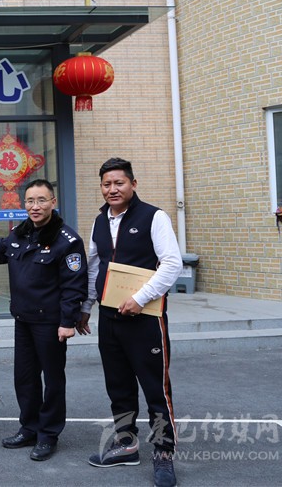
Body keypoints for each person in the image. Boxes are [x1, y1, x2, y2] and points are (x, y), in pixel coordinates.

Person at [0, 179, 87, 461]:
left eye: (41, 200)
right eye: (30, 201)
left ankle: (48, 434)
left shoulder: (67, 240)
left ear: (53, 202)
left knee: (53, 381)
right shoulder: (21, 232)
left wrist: (68, 321)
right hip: (24, 320)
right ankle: (29, 427)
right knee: (25, 379)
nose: (35, 206)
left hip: (51, 323)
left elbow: (74, 285)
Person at [79, 158, 182, 487]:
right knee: (119, 387)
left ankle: (163, 452)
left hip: (145, 319)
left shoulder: (154, 217)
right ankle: (126, 443)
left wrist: (140, 298)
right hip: (109, 319)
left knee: (155, 389)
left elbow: (172, 264)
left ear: (133, 184)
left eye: (119, 183)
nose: (112, 189)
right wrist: (86, 307)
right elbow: (94, 267)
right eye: (106, 184)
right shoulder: (99, 222)